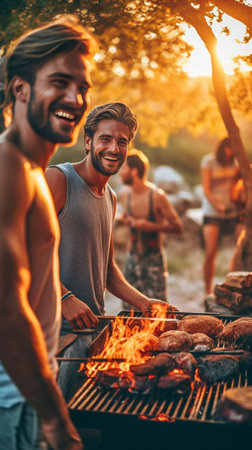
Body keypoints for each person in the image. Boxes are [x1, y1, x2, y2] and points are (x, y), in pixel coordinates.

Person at [0, 14, 96, 449]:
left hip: (27, 394)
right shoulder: (9, 168)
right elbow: (5, 309)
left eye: (82, 88)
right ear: (20, 87)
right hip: (15, 401)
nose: (75, 98)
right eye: (59, 82)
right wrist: (56, 419)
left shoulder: (32, 171)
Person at [46, 102, 177, 400]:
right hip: (54, 334)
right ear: (88, 141)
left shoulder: (111, 197)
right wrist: (64, 297)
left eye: (122, 141)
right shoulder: (59, 179)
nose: (114, 148)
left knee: (82, 421)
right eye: (105, 139)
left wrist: (144, 302)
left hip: (92, 329)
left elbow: (106, 269)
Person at [118, 149, 183, 303]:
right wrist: (124, 219)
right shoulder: (124, 194)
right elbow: (126, 217)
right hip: (131, 258)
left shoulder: (157, 196)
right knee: (129, 307)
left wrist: (149, 226)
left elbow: (178, 227)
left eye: (123, 168)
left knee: (158, 308)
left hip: (154, 259)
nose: (120, 172)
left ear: (134, 172)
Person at [201, 137, 244, 294]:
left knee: (239, 250)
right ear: (222, 148)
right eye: (228, 148)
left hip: (233, 211)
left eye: (233, 149)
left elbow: (240, 186)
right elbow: (206, 190)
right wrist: (218, 206)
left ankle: (234, 286)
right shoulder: (208, 162)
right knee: (211, 252)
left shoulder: (237, 163)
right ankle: (207, 291)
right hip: (213, 211)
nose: (230, 152)